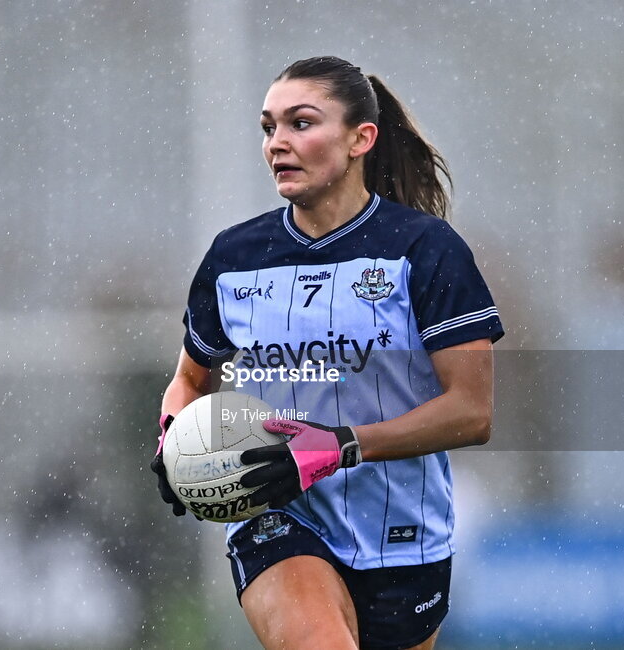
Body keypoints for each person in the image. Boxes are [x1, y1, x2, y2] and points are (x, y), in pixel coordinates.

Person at [153, 56, 503, 650]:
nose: (277, 144)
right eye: (269, 128)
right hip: (278, 515)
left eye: (301, 123)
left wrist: (340, 445)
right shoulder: (235, 257)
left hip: (404, 534)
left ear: (360, 139)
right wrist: (170, 432)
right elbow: (191, 379)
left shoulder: (424, 251)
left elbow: (472, 413)